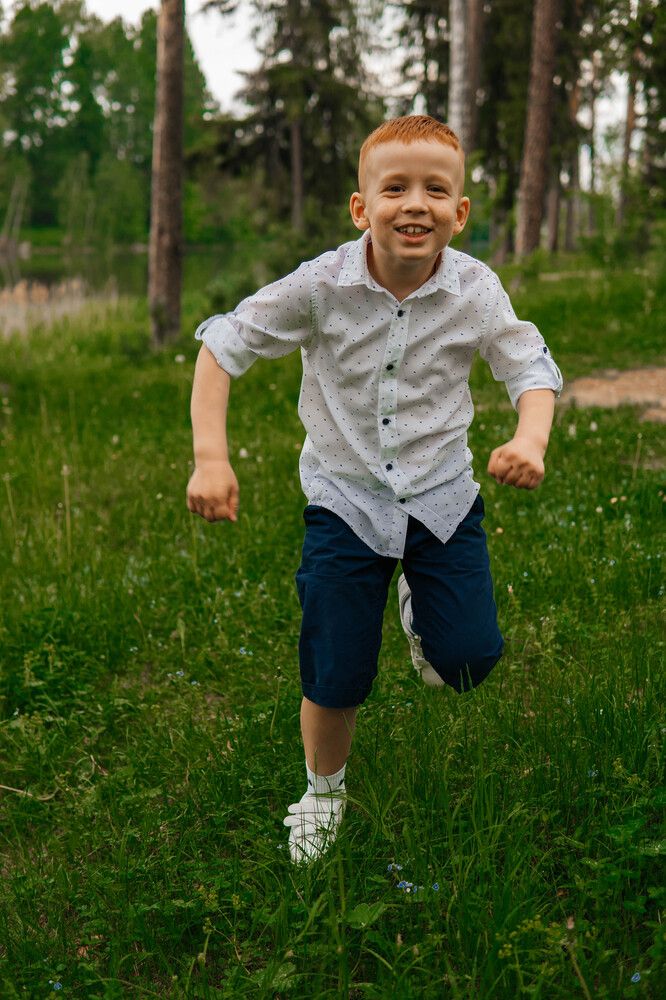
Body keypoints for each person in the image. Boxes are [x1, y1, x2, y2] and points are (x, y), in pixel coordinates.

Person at [187, 115, 562, 864]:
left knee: (467, 662)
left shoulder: (477, 290)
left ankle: (421, 607)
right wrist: (210, 458)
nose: (415, 203)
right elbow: (223, 346)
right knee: (337, 667)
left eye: (436, 190)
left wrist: (530, 439)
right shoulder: (320, 286)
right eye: (395, 188)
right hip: (345, 501)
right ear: (362, 207)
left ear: (460, 212)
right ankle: (323, 793)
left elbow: (529, 366)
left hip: (441, 496)